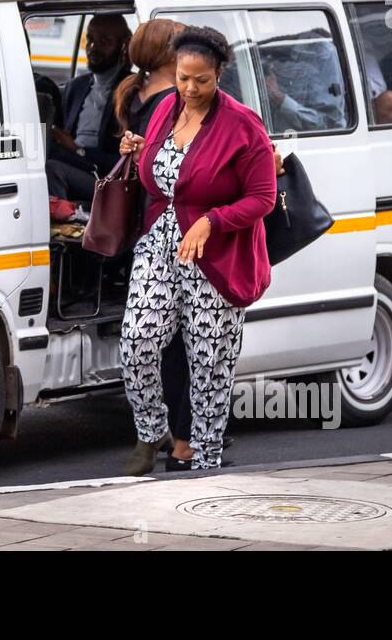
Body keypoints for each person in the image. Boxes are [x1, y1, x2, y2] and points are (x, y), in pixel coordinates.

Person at [117, 26, 276, 474]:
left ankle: (205, 461)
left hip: (216, 254)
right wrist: (140, 150)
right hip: (162, 242)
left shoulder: (243, 125)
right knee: (137, 340)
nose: (189, 88)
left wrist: (212, 220)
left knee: (209, 362)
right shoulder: (166, 107)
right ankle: (152, 433)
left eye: (200, 80)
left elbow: (262, 197)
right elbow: (166, 172)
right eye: (183, 78)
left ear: (219, 74)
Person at [46, 14, 132, 200]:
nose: (93, 47)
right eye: (90, 40)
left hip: (106, 177)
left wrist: (79, 150)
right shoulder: (75, 87)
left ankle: (64, 220)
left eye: (104, 41)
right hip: (73, 163)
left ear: (123, 46)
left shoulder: (132, 89)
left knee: (52, 168)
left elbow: (127, 160)